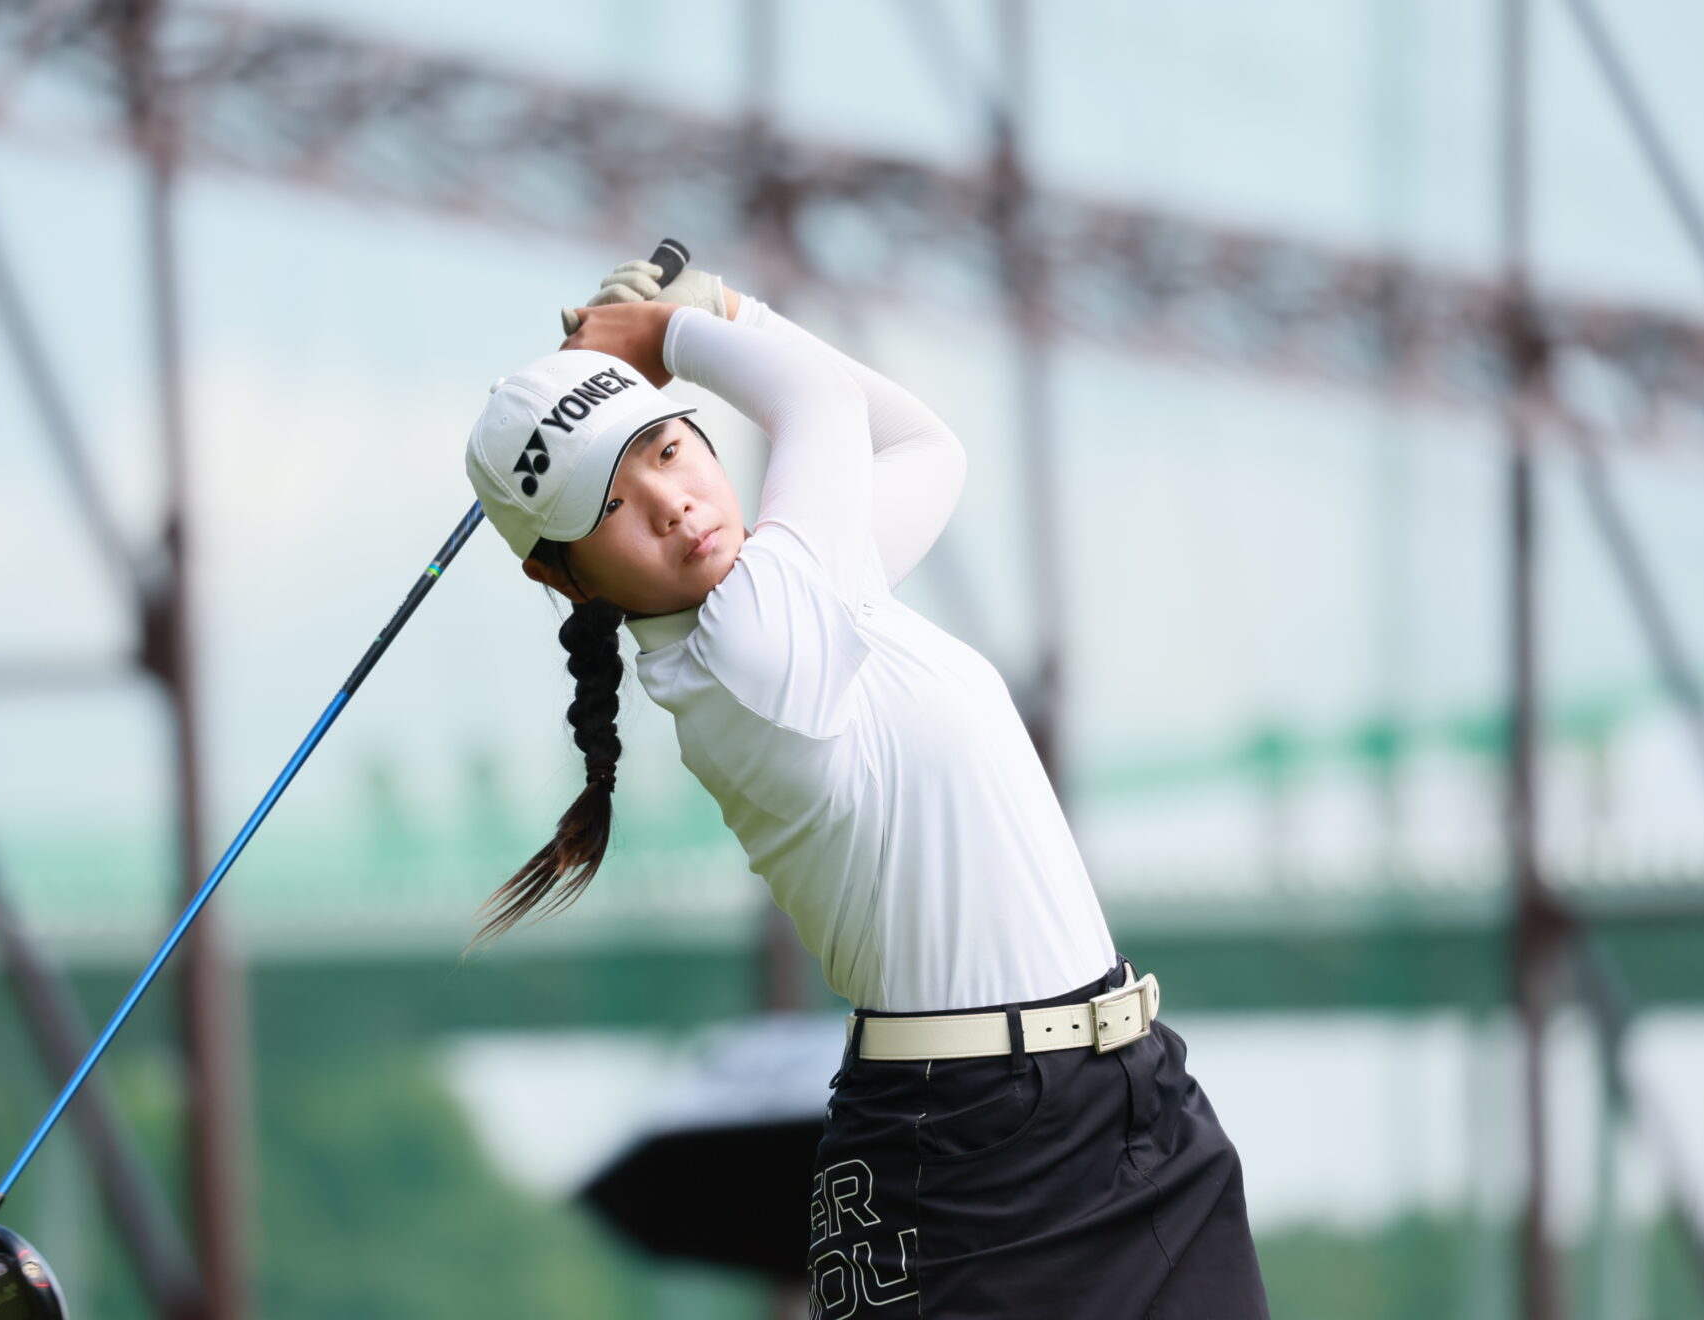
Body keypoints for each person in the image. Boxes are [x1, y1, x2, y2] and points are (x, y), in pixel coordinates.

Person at [462, 259, 1269, 1319]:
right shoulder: (747, 651)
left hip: (1137, 1100)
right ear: (560, 575)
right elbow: (822, 404)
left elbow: (926, 449)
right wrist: (675, 334)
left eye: (665, 449)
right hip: (974, 1160)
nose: (671, 504)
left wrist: (730, 310)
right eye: (611, 506)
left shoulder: (815, 595)